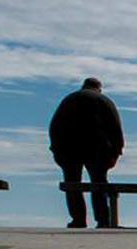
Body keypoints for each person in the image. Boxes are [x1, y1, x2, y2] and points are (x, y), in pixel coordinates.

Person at [49, 78, 124, 229]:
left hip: (69, 149)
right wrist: (117, 152)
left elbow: (54, 126)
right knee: (99, 183)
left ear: (83, 86)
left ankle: (78, 219)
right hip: (98, 149)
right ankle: (103, 219)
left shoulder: (69, 100)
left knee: (73, 184)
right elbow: (116, 129)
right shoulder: (105, 101)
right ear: (99, 88)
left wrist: (55, 149)